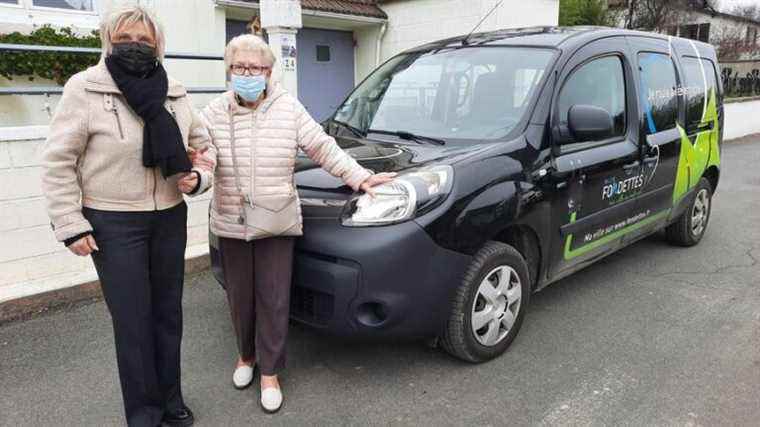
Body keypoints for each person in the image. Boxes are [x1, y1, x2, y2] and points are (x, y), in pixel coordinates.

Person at [192, 34, 395, 413]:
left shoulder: (288, 107)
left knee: (273, 296)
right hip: (232, 218)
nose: (248, 74)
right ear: (229, 71)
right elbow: (204, 161)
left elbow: (321, 146)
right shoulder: (212, 113)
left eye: (256, 68)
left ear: (269, 72)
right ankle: (245, 357)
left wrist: (360, 177)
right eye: (240, 67)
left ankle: (270, 371)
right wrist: (196, 180)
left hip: (277, 218)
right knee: (240, 297)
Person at [40, 6, 212, 427]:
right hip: (113, 223)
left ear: (158, 46)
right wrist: (70, 224)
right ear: (109, 41)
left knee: (168, 315)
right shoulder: (85, 88)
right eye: (126, 38)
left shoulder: (175, 89)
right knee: (133, 322)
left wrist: (198, 176)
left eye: (145, 41)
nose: (135, 46)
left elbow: (204, 145)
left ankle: (171, 400)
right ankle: (145, 413)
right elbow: (58, 161)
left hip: (169, 217)